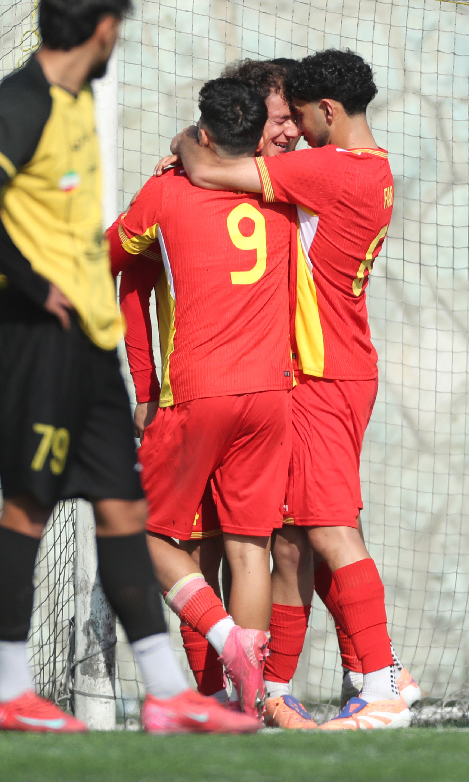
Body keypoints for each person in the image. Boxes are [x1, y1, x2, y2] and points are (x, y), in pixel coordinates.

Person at [0, 0, 259, 735]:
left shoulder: (76, 98)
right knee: (29, 506)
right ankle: (11, 691)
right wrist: (31, 283)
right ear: (103, 28)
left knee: (124, 509)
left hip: (88, 343)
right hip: (32, 336)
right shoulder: (25, 99)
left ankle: (165, 692)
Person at [173, 49, 414, 730]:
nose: (296, 133)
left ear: (327, 112)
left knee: (329, 530)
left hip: (320, 374)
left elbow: (207, 168)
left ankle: (383, 683)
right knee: (290, 539)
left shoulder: (328, 168)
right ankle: (275, 690)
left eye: (300, 118)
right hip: (314, 374)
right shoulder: (367, 168)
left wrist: (189, 139)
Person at [109, 77, 300, 715]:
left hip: (197, 395)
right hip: (269, 397)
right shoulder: (280, 189)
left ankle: (226, 642)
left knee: (135, 531)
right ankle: (244, 708)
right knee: (250, 552)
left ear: (206, 134)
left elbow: (107, 258)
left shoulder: (167, 192)